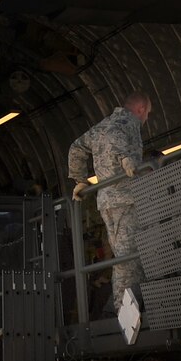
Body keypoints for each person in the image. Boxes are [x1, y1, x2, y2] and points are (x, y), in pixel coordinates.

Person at [67, 93, 152, 312]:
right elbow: (116, 138)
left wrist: (79, 179)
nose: (147, 118)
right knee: (128, 257)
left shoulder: (99, 127)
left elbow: (76, 147)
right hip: (126, 198)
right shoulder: (128, 121)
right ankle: (123, 312)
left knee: (128, 254)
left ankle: (137, 305)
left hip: (106, 201)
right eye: (148, 113)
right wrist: (127, 158)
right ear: (141, 109)